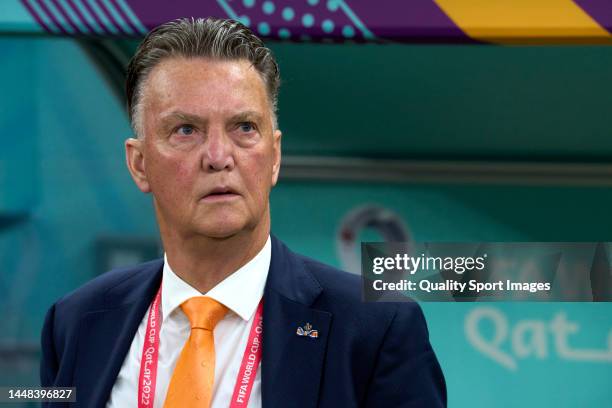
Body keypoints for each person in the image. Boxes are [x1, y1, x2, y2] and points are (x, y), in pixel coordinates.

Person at [40, 17, 446, 408]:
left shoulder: (376, 328)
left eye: (245, 127)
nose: (219, 157)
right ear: (139, 163)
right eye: (185, 130)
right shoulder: (75, 322)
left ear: (275, 156)